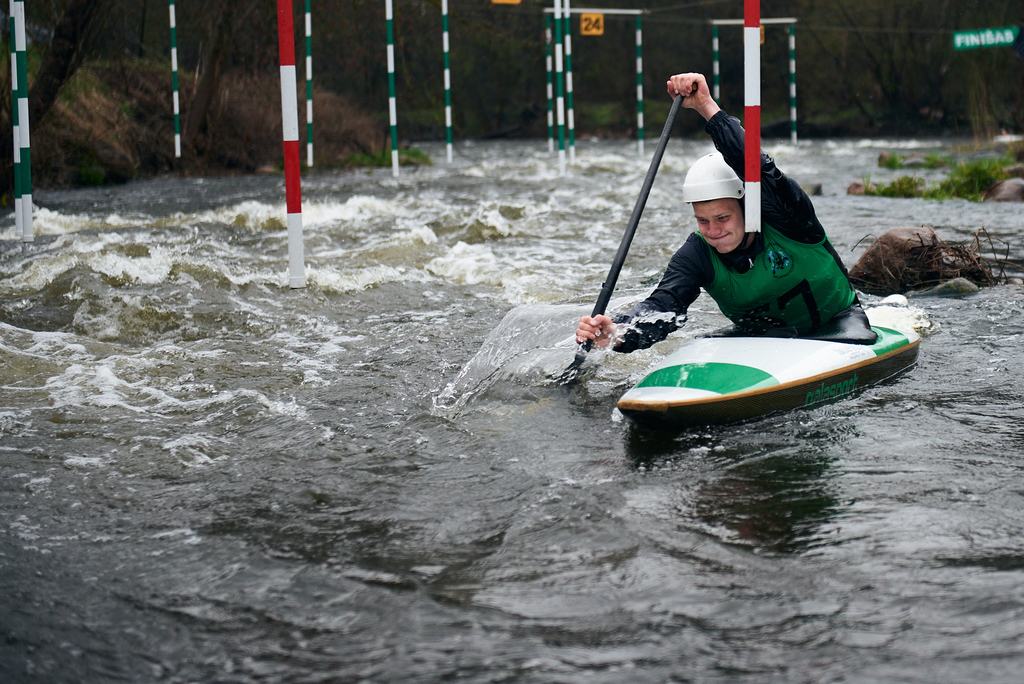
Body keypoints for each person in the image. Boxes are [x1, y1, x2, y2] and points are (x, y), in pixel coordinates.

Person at [575, 72, 876, 353]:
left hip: (838, 325)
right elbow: (664, 306)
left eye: (722, 218)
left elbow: (754, 164)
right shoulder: (696, 254)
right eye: (702, 221)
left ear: (748, 205)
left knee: (859, 338)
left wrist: (706, 106)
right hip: (760, 338)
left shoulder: (789, 217)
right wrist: (618, 332)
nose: (713, 230)